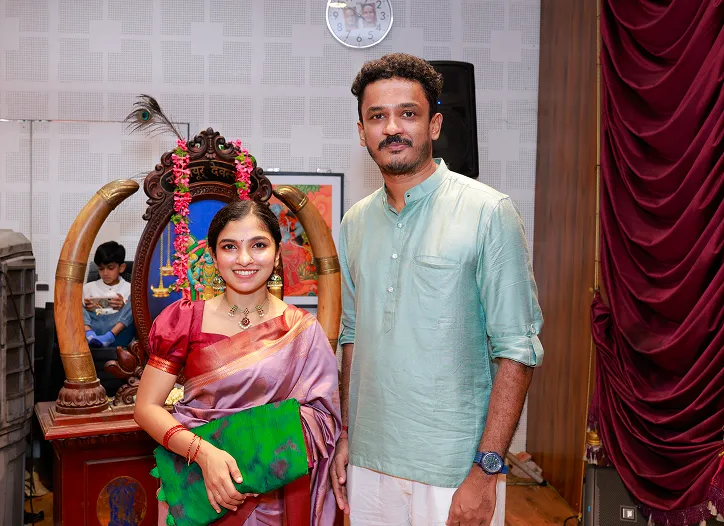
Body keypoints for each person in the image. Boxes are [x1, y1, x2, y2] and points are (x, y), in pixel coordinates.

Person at [330, 53, 545, 526]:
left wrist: (486, 470)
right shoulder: (354, 224)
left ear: (434, 125)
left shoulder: (489, 212)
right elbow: (351, 337)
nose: (393, 128)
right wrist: (347, 435)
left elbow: (517, 349)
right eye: (377, 116)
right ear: (362, 130)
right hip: (369, 464)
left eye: (408, 113)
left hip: (454, 470)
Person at [133, 200, 341, 525]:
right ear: (214, 256)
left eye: (258, 245)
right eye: (230, 247)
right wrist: (204, 454)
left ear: (276, 254)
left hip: (274, 495)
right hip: (198, 487)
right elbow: (146, 408)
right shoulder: (184, 320)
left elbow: (323, 418)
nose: (244, 259)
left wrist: (255, 460)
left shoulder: (301, 330)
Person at [82, 241, 134, 348]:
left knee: (136, 299)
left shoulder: (129, 288)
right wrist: (87, 308)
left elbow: (129, 318)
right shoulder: (88, 287)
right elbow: (80, 315)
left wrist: (123, 307)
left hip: (117, 332)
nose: (105, 273)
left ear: (121, 268)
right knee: (72, 296)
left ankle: (108, 337)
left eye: (110, 268)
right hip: (93, 327)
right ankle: (90, 335)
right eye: (101, 268)